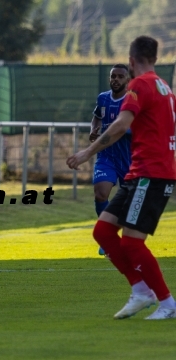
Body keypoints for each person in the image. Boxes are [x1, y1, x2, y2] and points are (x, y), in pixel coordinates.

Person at [67, 36, 176, 320]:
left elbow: (120, 125)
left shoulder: (140, 84)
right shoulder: (164, 87)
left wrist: (87, 152)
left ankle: (167, 302)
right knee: (102, 232)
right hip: (139, 173)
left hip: (151, 174)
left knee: (131, 243)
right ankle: (140, 290)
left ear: (131, 61)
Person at [90, 64, 131, 256]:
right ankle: (107, 239)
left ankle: (123, 238)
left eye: (120, 76)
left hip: (129, 157)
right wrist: (94, 129)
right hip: (106, 155)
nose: (115, 79)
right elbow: (97, 117)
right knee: (101, 193)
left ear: (127, 79)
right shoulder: (103, 98)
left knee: (129, 203)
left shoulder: (132, 101)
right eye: (113, 76)